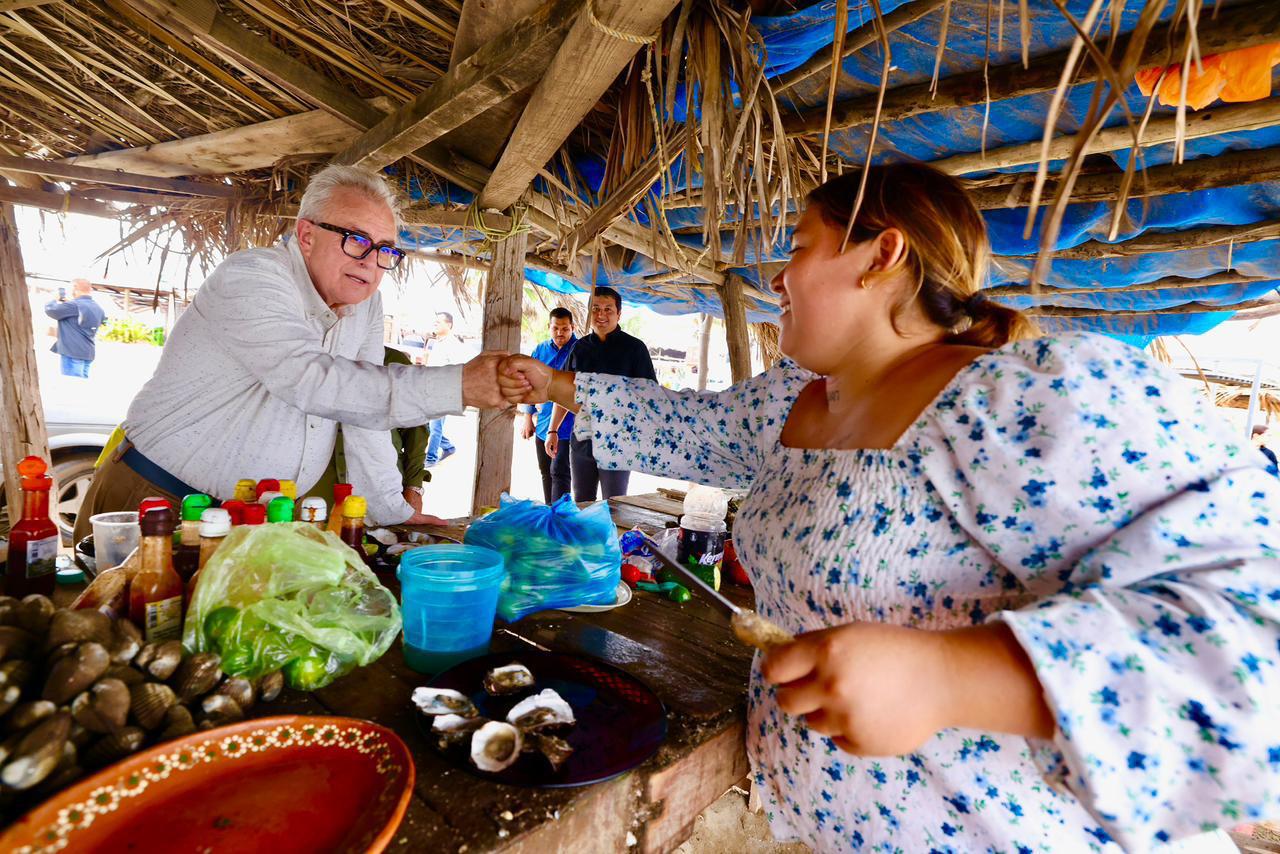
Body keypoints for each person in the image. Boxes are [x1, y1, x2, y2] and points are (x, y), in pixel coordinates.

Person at [498, 163, 1279, 852]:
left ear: (882, 256)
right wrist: (553, 384)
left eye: (800, 247)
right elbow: (691, 429)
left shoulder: (1031, 395)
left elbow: (1257, 635)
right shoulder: (798, 401)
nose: (778, 276)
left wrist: (952, 679)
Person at [73, 164, 506, 542]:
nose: (372, 262)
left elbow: (365, 417)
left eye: (386, 249)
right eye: (356, 240)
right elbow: (310, 379)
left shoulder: (365, 304)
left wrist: (392, 510)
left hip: (256, 522)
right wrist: (460, 384)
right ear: (306, 235)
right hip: (158, 500)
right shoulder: (252, 277)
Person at [307, 347, 444, 524]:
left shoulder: (393, 361)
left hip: (382, 489)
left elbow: (416, 432)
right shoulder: (309, 361)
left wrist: (414, 487)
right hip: (318, 490)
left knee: (382, 544)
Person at [552, 287, 654, 501]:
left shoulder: (635, 349)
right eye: (596, 308)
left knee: (614, 504)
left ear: (619, 314)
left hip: (618, 441)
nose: (601, 315)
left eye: (608, 309)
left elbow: (650, 397)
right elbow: (562, 391)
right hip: (583, 439)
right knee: (582, 503)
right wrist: (553, 430)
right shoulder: (579, 348)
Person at [519, 307, 577, 503]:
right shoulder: (540, 350)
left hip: (568, 426)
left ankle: (559, 517)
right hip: (543, 422)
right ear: (549, 327)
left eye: (565, 329)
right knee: (545, 472)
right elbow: (528, 383)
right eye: (556, 328)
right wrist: (528, 416)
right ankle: (549, 510)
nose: (560, 333)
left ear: (572, 327)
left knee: (560, 472)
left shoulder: (580, 349)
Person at [425, 311, 469, 467]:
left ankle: (431, 458)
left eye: (439, 322)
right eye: (435, 322)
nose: (435, 324)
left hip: (443, 391)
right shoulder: (438, 342)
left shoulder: (452, 344)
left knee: (435, 426)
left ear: (448, 324)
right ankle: (448, 447)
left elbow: (458, 369)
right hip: (431, 390)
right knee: (428, 425)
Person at [44, 277, 105, 378]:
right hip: (88, 352)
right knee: (80, 388)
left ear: (74, 288)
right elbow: (101, 321)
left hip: (72, 353)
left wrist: (53, 298)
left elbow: (51, 310)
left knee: (71, 387)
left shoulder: (73, 305)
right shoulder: (98, 307)